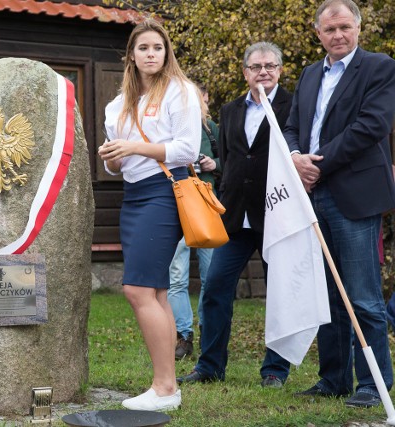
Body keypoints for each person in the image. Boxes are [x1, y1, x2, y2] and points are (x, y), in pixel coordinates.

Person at [284, 0, 395, 408]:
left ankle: (374, 382)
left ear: (358, 28)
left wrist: (318, 165)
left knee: (362, 295)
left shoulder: (380, 67)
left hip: (352, 193)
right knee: (327, 296)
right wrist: (295, 157)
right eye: (330, 30)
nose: (338, 36)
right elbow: (293, 125)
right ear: (318, 34)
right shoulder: (311, 74)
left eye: (345, 27)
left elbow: (372, 126)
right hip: (311, 194)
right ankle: (333, 379)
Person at [98, 19, 203, 411]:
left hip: (165, 191)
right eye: (143, 48)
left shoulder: (181, 91)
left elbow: (187, 150)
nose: (151, 54)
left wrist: (135, 147)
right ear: (131, 55)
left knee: (137, 289)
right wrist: (112, 158)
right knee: (155, 291)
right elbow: (118, 165)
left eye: (157, 47)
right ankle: (166, 386)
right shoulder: (116, 105)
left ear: (166, 52)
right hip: (134, 194)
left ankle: (164, 388)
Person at [177, 41, 292, 388]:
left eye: (270, 66)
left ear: (280, 70)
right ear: (245, 72)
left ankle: (275, 369)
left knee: (280, 293)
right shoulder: (229, 111)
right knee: (214, 289)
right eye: (256, 67)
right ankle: (210, 366)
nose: (263, 72)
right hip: (235, 217)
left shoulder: (294, 106)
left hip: (277, 214)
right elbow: (228, 161)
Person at [168, 84, 220, 359]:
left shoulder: (211, 128)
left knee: (211, 276)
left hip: (207, 205)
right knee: (176, 275)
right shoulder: (169, 126)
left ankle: (209, 332)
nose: (199, 103)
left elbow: (232, 160)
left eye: (203, 98)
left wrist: (215, 164)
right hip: (176, 204)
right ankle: (183, 335)